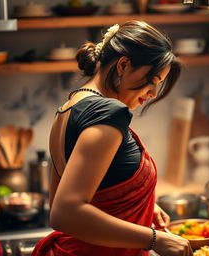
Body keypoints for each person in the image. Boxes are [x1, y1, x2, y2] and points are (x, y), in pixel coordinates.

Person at [31, 20, 193, 256]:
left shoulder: (68, 108)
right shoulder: (108, 114)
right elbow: (65, 212)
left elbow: (69, 201)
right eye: (152, 80)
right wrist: (155, 239)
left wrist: (142, 205)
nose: (153, 93)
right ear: (124, 65)